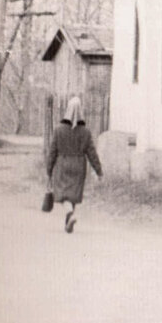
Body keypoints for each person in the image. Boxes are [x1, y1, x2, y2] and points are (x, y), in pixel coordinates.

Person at [44, 96, 104, 233]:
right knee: (73, 194)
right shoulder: (86, 132)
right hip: (79, 165)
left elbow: (52, 151)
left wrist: (49, 170)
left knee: (64, 195)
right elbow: (92, 153)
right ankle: (68, 221)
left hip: (62, 164)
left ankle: (70, 213)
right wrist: (99, 171)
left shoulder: (59, 130)